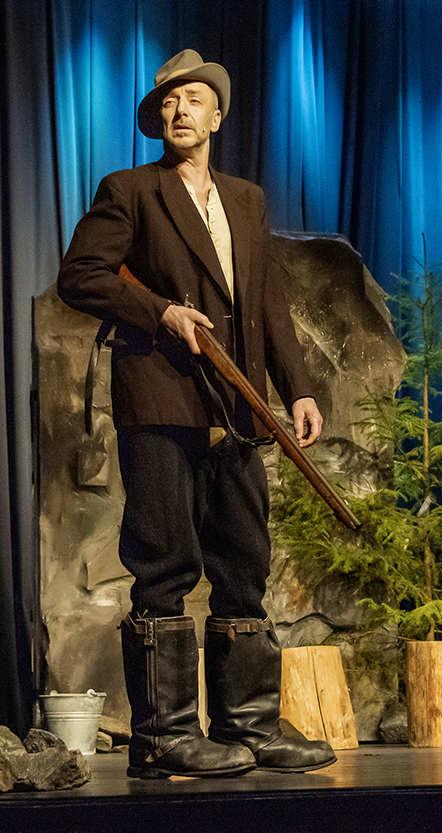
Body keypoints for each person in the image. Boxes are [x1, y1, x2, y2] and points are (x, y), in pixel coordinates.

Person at [58, 49, 336, 779]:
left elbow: (267, 300)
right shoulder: (131, 191)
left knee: (244, 564)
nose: (179, 111)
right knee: (165, 562)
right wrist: (160, 311)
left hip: (238, 405)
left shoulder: (245, 199)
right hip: (163, 400)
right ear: (159, 120)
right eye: (168, 103)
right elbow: (80, 276)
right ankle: (164, 735)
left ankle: (249, 725)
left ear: (217, 116)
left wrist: (299, 389)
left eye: (193, 101)